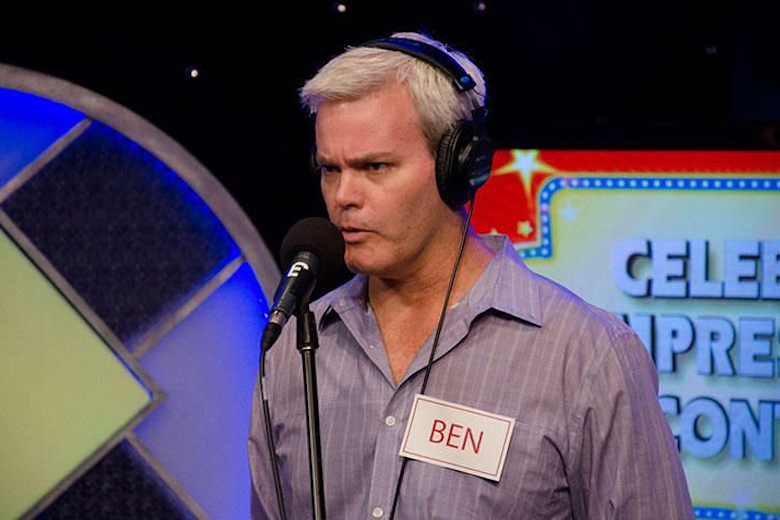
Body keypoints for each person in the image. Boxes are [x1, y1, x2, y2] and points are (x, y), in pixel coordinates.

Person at [248, 31, 694, 519]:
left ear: (459, 167)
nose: (343, 196)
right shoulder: (295, 349)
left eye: (374, 167)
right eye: (330, 169)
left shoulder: (588, 358)